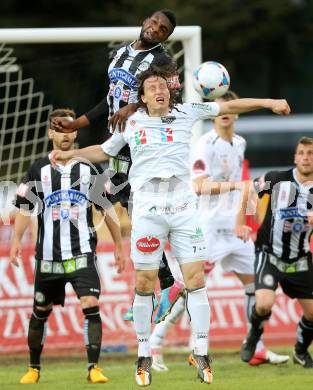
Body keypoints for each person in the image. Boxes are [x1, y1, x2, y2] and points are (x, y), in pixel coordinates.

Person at [50, 67, 290, 386]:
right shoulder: (131, 122)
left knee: (195, 278)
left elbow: (232, 106)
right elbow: (104, 152)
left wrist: (270, 102)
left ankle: (202, 351)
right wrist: (72, 154)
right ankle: (144, 353)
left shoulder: (187, 111)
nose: (158, 90)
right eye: (151, 87)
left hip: (183, 206)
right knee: (146, 282)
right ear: (144, 96)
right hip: (148, 207)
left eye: (162, 86)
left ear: (169, 91)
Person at [52, 9, 183, 320]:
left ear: (166, 37)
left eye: (162, 29)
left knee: (128, 209)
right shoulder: (120, 52)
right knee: (112, 201)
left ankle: (166, 286)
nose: (155, 28)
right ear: (146, 20)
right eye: (154, 22)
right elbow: (107, 101)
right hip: (118, 146)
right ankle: (166, 285)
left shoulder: (163, 62)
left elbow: (172, 98)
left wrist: (134, 106)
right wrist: (76, 125)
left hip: (140, 145)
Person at [149, 91, 289, 371]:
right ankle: (154, 344)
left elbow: (244, 186)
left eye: (230, 107)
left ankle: (257, 346)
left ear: (236, 113)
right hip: (207, 228)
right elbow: (200, 186)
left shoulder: (239, 142)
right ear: (215, 112)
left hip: (233, 230)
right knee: (191, 289)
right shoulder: (205, 143)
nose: (225, 112)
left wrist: (245, 221)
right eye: (220, 107)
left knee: (259, 285)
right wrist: (236, 187)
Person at [10, 108, 125, 384]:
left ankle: (93, 368)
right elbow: (25, 209)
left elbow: (107, 209)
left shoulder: (89, 167)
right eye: (59, 130)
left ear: (76, 133)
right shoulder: (38, 168)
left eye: (69, 130)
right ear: (51, 133)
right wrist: (15, 241)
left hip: (82, 251)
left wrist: (120, 246)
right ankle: (34, 368)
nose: (64, 136)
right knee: (40, 311)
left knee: (91, 303)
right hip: (48, 256)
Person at [236, 136, 313, 368]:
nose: (306, 158)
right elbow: (249, 189)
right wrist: (241, 222)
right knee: (263, 304)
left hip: (299, 258)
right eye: (302, 153)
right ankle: (253, 338)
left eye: (310, 154)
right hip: (269, 254)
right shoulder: (277, 179)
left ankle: (300, 350)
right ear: (295, 157)